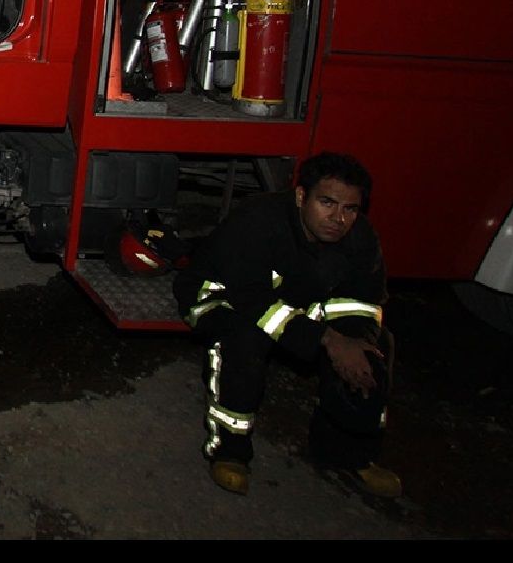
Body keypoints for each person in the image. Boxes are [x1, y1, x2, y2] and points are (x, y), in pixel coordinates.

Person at [173, 152, 403, 498]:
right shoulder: (258, 220)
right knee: (245, 338)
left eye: (350, 209)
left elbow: (363, 302)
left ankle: (349, 453)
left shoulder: (360, 238)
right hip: (224, 297)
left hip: (293, 305)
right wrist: (326, 339)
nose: (338, 218)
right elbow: (251, 301)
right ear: (301, 196)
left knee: (375, 348)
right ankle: (230, 452)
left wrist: (355, 342)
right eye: (327, 202)